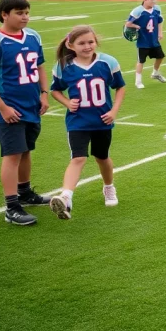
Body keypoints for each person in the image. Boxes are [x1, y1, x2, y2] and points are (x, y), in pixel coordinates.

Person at [48, 26, 125, 220]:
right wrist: (67, 102)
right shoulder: (63, 66)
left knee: (102, 157)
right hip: (77, 121)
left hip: (101, 120)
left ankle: (109, 187)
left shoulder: (107, 62)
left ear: (96, 42)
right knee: (78, 158)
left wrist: (114, 111)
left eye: (90, 42)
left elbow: (120, 87)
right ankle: (66, 197)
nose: (87, 46)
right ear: (70, 45)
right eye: (81, 43)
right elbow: (55, 90)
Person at [0, 0, 50, 225]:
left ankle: (24, 193)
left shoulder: (33, 36)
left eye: (27, 12)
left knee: (26, 150)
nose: (25, 17)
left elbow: (40, 66)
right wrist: (3, 108)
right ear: (4, 14)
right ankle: (11, 206)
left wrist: (44, 93)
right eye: (19, 13)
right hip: (8, 107)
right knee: (12, 154)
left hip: (31, 104)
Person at [125, 0, 166, 89]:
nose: (154, 1)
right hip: (143, 40)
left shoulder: (157, 9)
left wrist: (160, 32)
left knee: (160, 57)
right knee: (141, 61)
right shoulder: (138, 10)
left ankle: (155, 73)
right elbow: (128, 23)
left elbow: (160, 21)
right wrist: (137, 26)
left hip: (154, 39)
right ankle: (138, 81)